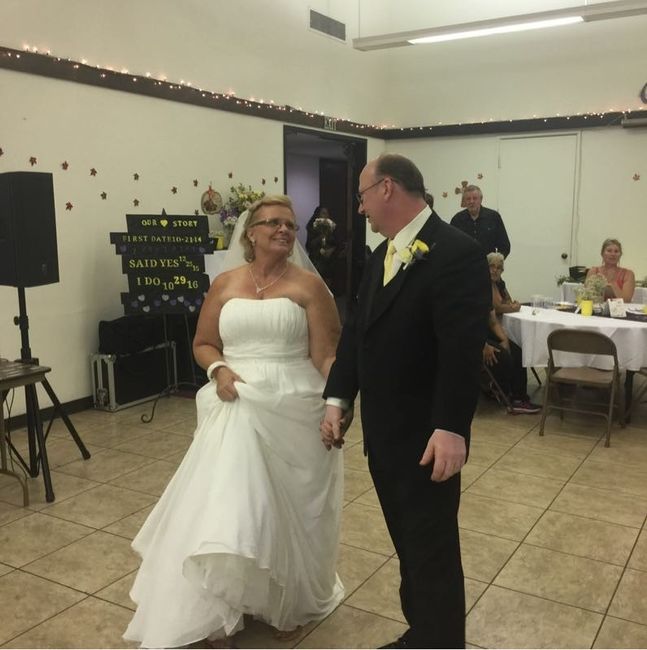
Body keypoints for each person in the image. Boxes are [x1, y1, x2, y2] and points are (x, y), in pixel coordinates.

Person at [124, 195, 345, 648]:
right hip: (235, 400)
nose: (284, 230)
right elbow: (203, 343)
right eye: (274, 223)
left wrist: (337, 402)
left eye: (290, 224)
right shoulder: (225, 283)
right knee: (233, 503)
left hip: (292, 405)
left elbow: (326, 356)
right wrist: (219, 370)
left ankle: (289, 600)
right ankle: (218, 606)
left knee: (287, 508)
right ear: (251, 232)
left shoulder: (309, 287)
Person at [321, 154, 491, 649]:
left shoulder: (457, 252)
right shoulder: (382, 254)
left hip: (427, 436)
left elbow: (461, 350)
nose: (360, 208)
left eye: (362, 196)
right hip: (385, 435)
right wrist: (338, 397)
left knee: (432, 549)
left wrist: (452, 427)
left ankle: (441, 641)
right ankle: (423, 633)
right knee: (409, 545)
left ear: (387, 188)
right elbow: (357, 334)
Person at [483, 308, 541, 415]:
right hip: (470, 338)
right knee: (503, 357)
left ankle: (519, 398)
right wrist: (483, 345)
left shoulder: (485, 298)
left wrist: (504, 339)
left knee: (517, 352)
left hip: (485, 334)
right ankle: (496, 388)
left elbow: (493, 322)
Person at [450, 184, 511, 258]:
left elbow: (505, 246)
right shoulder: (457, 220)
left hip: (487, 264)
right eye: (468, 199)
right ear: (464, 201)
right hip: (464, 265)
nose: (471, 201)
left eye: (475, 198)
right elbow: (451, 246)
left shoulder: (494, 217)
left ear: (481, 200)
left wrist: (496, 261)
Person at [586, 238, 635, 302]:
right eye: (609, 251)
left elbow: (626, 300)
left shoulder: (628, 274)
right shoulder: (593, 271)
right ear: (602, 254)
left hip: (620, 308)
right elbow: (586, 296)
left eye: (616, 251)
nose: (613, 254)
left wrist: (613, 286)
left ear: (620, 255)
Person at [305, 205, 337, 286]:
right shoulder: (312, 228)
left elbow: (337, 243)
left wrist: (331, 250)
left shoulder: (332, 227)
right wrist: (321, 237)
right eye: (323, 213)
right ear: (318, 215)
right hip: (316, 262)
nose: (326, 216)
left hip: (329, 263)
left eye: (327, 213)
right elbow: (308, 246)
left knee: (328, 287)